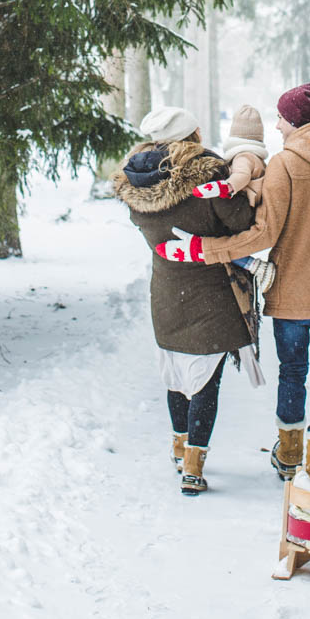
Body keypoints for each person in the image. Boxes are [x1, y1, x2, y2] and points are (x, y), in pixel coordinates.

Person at [156, 81, 310, 483]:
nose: (276, 126)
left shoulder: (285, 165)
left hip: (292, 296)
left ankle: (291, 458)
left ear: (295, 120)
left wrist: (204, 249)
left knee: (293, 373)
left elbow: (262, 235)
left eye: (280, 117)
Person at [113, 104, 258, 496]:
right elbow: (240, 221)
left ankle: (180, 450)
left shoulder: (136, 178)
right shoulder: (208, 172)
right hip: (211, 287)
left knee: (176, 374)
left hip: (166, 287)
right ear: (193, 134)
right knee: (206, 380)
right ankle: (193, 466)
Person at [190, 103, 276, 293]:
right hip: (253, 208)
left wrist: (224, 187)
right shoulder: (256, 157)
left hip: (244, 208)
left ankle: (255, 266)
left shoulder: (243, 157)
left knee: (220, 241)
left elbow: (241, 176)